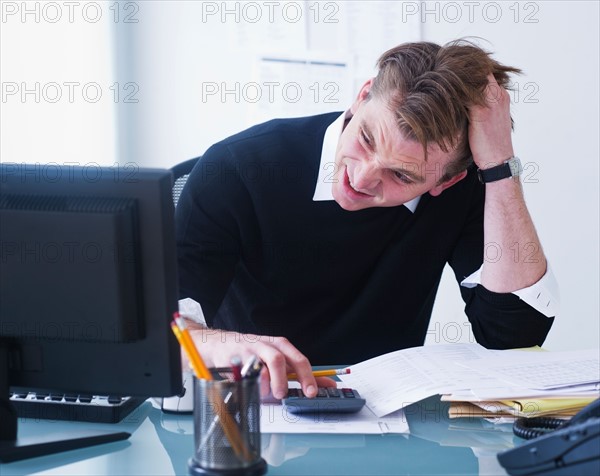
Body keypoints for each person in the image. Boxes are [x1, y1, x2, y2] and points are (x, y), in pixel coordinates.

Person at [175, 40, 558, 400]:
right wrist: (223, 345)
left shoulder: (464, 190)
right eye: (367, 139)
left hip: (390, 416)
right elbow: (163, 330)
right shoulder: (238, 168)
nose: (359, 178)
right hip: (253, 410)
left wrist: (500, 166)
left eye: (402, 176)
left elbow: (515, 337)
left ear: (447, 180)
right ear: (362, 96)